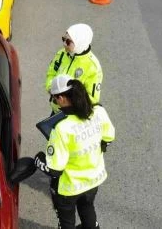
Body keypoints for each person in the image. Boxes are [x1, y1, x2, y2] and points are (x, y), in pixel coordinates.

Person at [34, 76, 115, 229]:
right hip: (93, 180)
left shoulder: (61, 128)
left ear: (62, 98)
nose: (55, 102)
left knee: (66, 222)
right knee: (87, 208)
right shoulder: (98, 111)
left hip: (69, 188)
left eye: (55, 98)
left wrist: (38, 160)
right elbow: (108, 138)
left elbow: (55, 169)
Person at [46, 23, 102, 113]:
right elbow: (51, 73)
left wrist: (69, 103)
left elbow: (93, 99)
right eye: (63, 39)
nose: (64, 44)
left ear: (80, 43)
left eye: (68, 42)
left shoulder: (93, 67)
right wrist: (52, 89)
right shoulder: (61, 54)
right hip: (57, 110)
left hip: (74, 116)